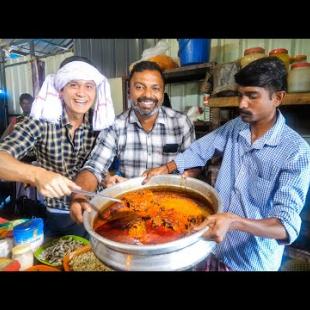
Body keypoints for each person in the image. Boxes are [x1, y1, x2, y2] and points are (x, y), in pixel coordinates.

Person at [142, 57, 310, 271]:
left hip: (250, 261)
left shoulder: (295, 151)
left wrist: (234, 221)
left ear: (278, 97)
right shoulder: (236, 127)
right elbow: (200, 149)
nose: (241, 104)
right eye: (240, 95)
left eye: (252, 96)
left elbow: (286, 226)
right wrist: (166, 169)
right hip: (212, 246)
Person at [0, 56, 115, 237]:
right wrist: (37, 174)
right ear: (60, 90)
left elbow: (97, 162)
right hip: (60, 214)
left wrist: (107, 177)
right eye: (74, 85)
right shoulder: (41, 121)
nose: (81, 93)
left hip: (97, 207)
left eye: (88, 86)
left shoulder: (99, 121)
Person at [70, 60, 197, 223]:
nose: (148, 95)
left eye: (155, 88)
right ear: (129, 91)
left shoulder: (181, 122)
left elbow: (194, 164)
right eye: (139, 87)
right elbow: (94, 166)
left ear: (162, 92)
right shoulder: (115, 126)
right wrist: (80, 195)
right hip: (130, 211)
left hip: (173, 209)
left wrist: (182, 174)